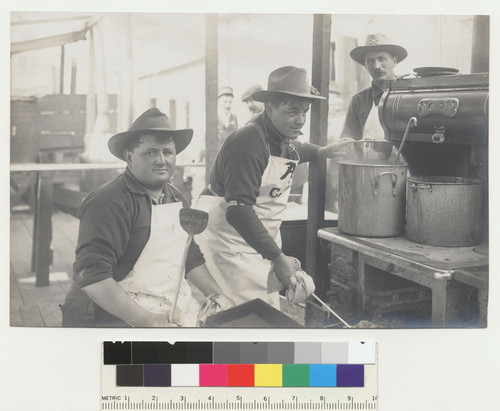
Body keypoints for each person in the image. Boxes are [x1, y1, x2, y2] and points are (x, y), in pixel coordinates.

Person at [193, 66, 353, 308]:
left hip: (254, 239)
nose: (300, 120)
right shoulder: (248, 141)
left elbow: (295, 148)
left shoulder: (280, 136)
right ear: (269, 108)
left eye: (304, 112)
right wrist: (277, 257)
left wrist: (321, 152)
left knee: (262, 308)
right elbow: (238, 211)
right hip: (227, 240)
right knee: (236, 311)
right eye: (292, 112)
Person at [61, 108, 233, 327]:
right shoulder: (108, 201)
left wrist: (216, 295)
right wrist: (147, 321)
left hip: (164, 308)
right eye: (150, 152)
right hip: (108, 316)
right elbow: (93, 278)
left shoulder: (175, 197)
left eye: (167, 152)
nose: (161, 160)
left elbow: (189, 255)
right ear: (129, 158)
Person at [340, 33, 407, 140]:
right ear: (366, 67)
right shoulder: (358, 101)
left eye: (381, 59)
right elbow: (347, 140)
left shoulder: (408, 96)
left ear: (394, 61)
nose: (376, 66)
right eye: (370, 61)